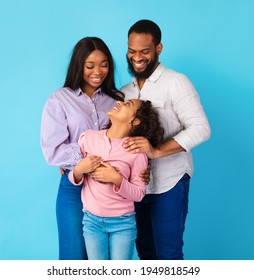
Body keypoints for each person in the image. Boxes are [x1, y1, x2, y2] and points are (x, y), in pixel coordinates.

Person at [121, 19, 211, 260]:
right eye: (131, 51)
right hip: (136, 188)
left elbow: (201, 128)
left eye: (144, 52)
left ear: (158, 49)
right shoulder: (124, 92)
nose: (136, 58)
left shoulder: (176, 82)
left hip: (170, 184)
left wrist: (156, 151)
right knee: (146, 254)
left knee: (169, 256)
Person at [40, 37, 125, 260]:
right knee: (74, 258)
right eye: (90, 66)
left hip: (108, 189)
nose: (98, 71)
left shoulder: (117, 101)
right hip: (74, 187)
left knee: (105, 261)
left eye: (104, 64)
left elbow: (125, 144)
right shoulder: (59, 100)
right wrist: (80, 163)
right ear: (79, 65)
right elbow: (53, 150)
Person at [68, 99, 164, 260]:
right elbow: (74, 178)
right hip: (91, 222)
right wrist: (79, 169)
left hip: (123, 224)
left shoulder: (137, 152)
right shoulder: (88, 138)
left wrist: (117, 179)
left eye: (128, 104)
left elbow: (139, 194)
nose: (120, 102)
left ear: (135, 121)